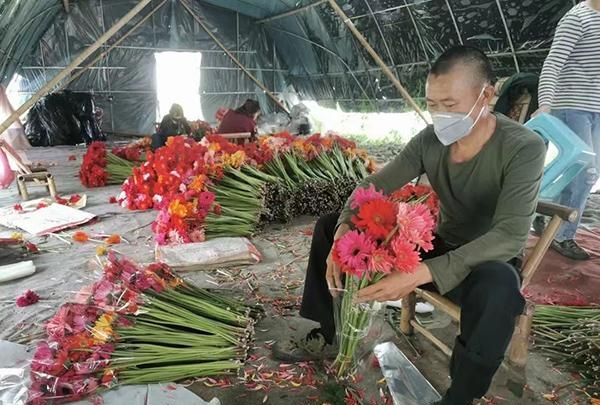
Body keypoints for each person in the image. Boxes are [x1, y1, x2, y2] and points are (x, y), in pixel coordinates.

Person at [272, 46, 547, 405]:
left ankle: (460, 397)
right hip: (439, 243)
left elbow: (509, 236)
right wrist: (341, 233)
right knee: (327, 227)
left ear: (487, 95)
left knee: (500, 289)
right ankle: (327, 334)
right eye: (433, 104)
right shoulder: (430, 141)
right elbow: (370, 188)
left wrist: (418, 274)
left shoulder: (523, 147)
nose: (440, 115)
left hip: (485, 259)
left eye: (450, 105)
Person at [533, 0, 600, 260]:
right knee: (585, 173)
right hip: (571, 105)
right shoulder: (577, 18)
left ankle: (547, 216)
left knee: (588, 175)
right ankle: (562, 235)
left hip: (596, 107)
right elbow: (552, 64)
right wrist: (545, 106)